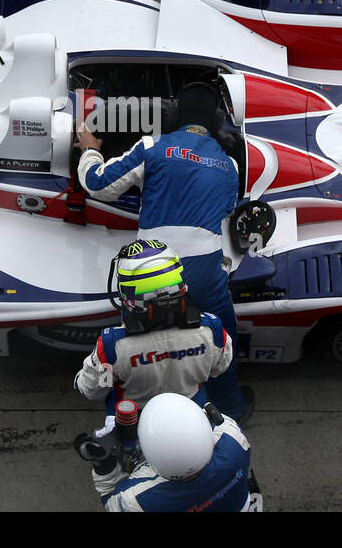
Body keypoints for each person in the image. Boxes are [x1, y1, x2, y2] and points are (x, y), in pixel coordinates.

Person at [76, 83, 252, 419]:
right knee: (221, 340)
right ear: (214, 121)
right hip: (206, 273)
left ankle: (133, 410)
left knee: (139, 341)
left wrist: (89, 149)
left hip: (152, 269)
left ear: (173, 116)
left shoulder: (153, 146)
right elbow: (227, 208)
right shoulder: (229, 164)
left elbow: (98, 184)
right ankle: (230, 410)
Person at [74, 240, 233, 416]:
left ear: (128, 293)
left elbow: (92, 390)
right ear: (180, 283)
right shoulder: (213, 331)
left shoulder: (111, 347)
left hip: (135, 418)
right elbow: (219, 368)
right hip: (193, 412)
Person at [90, 393, 253, 512]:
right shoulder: (234, 438)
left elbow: (110, 498)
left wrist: (104, 467)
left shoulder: (136, 500)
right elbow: (216, 422)